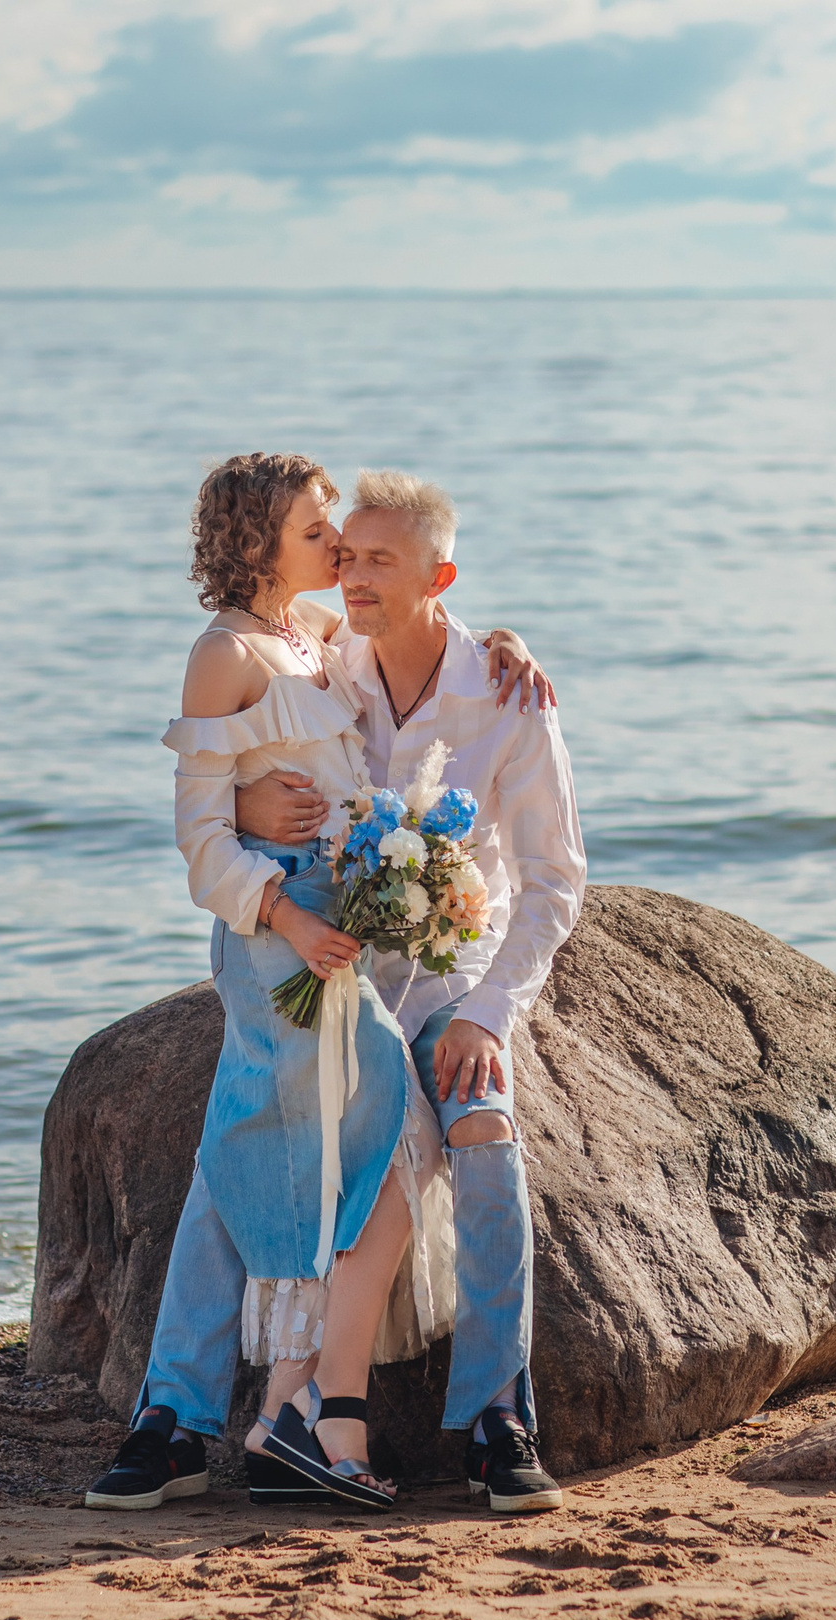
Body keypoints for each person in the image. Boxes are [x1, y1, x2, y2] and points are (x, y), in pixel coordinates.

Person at [84, 454, 554, 1513]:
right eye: (319, 529)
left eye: (347, 536)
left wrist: (503, 647)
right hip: (285, 930)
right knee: (252, 1134)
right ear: (262, 540)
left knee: (407, 1129)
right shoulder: (238, 651)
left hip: (388, 940)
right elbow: (200, 824)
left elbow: (418, 616)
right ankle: (202, 1415)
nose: (338, 548)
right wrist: (267, 865)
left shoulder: (332, 639)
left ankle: (421, 1412)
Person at [236, 468, 585, 1514]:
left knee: (479, 1119)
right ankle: (213, 1408)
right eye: (345, 555)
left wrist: (488, 1010)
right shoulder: (321, 665)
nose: (351, 575)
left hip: (452, 969)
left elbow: (555, 882)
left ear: (438, 575)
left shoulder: (508, 699)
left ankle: (496, 1415)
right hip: (341, 964)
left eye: (379, 559)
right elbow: (228, 738)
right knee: (302, 1125)